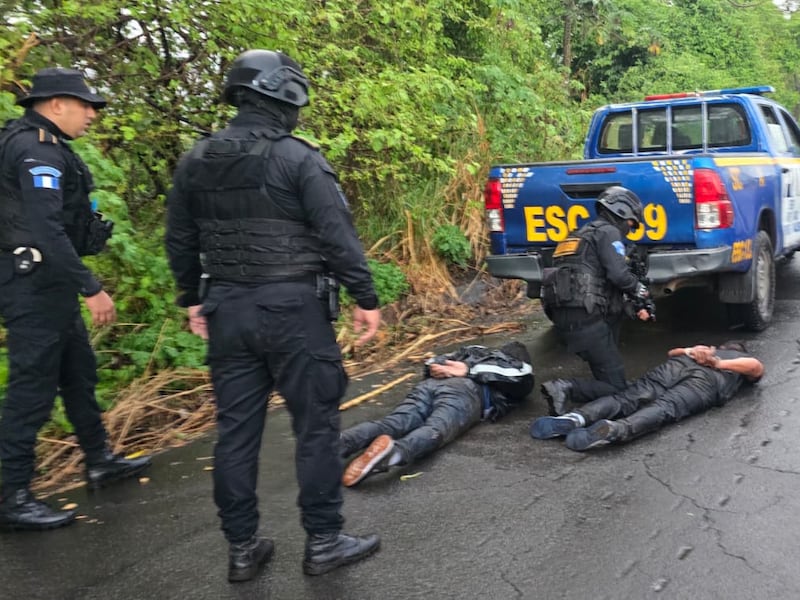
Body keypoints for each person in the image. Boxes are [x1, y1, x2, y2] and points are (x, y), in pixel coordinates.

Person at [165, 49, 382, 582]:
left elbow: (180, 239)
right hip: (293, 311)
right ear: (284, 96)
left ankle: (242, 550)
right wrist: (366, 298)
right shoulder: (298, 158)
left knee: (235, 433)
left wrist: (192, 297)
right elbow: (337, 237)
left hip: (227, 312)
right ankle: (324, 542)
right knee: (315, 429)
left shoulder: (196, 159)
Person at [0, 68, 152, 531]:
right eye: (86, 106)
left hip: (47, 284)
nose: (92, 115)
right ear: (56, 104)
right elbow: (45, 230)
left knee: (77, 373)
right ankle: (10, 496)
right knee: (32, 388)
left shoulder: (42, 143)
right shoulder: (34, 149)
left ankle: (99, 459)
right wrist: (92, 286)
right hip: (32, 285)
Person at [341, 342, 534, 486]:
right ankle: (393, 454)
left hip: (431, 384)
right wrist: (467, 370)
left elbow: (432, 361)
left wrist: (441, 368)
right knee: (436, 428)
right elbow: (523, 375)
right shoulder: (507, 363)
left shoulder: (471, 350)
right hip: (466, 391)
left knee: (393, 422)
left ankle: (336, 445)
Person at [539, 185, 654, 414]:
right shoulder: (608, 232)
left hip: (568, 319)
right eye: (631, 223)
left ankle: (576, 393)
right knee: (617, 387)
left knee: (610, 377)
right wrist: (641, 290)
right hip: (587, 320)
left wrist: (633, 308)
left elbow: (602, 288)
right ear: (621, 212)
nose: (630, 230)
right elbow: (619, 276)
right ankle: (565, 388)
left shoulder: (577, 237)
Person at [530, 341, 764, 451]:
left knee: (627, 397)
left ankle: (574, 419)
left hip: (679, 365)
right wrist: (718, 362)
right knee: (665, 407)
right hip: (707, 380)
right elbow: (755, 367)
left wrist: (693, 352)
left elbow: (671, 352)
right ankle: (615, 429)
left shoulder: (708, 350)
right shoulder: (734, 359)